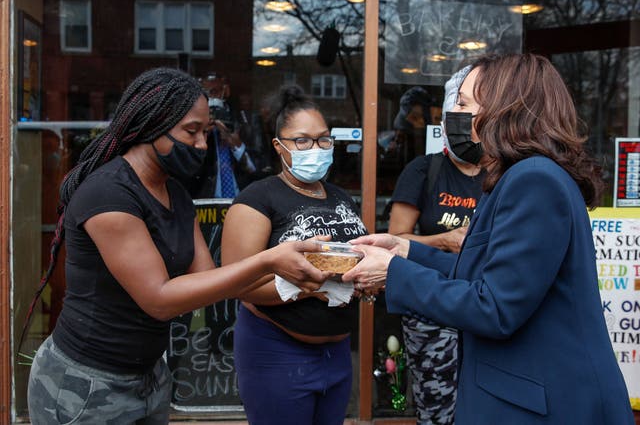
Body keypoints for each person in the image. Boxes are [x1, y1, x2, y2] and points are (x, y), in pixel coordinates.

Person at [26, 68, 332, 425]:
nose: (202, 144)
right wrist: (269, 261)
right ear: (153, 124)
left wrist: (309, 277)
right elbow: (159, 299)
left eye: (205, 131)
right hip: (86, 382)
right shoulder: (108, 194)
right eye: (192, 131)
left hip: (150, 377)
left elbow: (209, 281)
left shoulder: (176, 194)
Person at [343, 54, 635, 424]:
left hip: (546, 405)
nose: (454, 115)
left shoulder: (534, 180)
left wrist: (393, 272)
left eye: (463, 103)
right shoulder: (520, 175)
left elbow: (495, 307)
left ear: (505, 108)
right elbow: (489, 273)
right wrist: (407, 249)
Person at [221, 85, 368, 425]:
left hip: (338, 353)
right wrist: (314, 286)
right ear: (279, 146)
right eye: (302, 140)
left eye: (323, 139)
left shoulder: (342, 197)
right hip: (277, 351)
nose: (315, 148)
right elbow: (236, 284)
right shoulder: (257, 198)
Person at [387, 65, 484, 425]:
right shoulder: (423, 170)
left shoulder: (500, 175)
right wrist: (442, 240)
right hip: (430, 311)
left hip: (480, 304)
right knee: (436, 409)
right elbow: (396, 239)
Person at [181, 74, 259, 199]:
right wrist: (202, 134)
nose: (210, 98)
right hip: (206, 204)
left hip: (242, 200)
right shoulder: (192, 125)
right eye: (204, 94)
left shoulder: (243, 121)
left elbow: (258, 170)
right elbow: (186, 171)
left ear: (225, 91)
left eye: (214, 92)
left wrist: (237, 146)